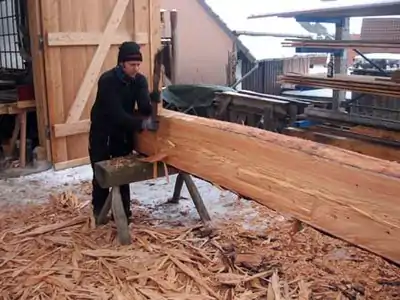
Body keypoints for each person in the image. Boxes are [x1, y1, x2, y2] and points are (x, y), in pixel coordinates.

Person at [89, 41, 158, 225]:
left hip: (122, 132)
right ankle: (99, 212)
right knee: (101, 171)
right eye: (132, 65)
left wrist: (152, 102)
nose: (136, 68)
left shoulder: (139, 80)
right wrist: (142, 123)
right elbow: (117, 114)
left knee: (121, 172)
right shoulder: (107, 81)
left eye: (138, 64)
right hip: (102, 130)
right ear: (122, 64)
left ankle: (124, 214)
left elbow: (143, 107)